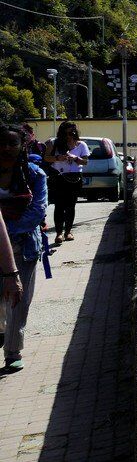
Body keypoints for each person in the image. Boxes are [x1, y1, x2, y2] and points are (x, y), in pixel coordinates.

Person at [0, 123, 48, 372]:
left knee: (19, 300)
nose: (7, 148)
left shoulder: (35, 175)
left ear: (22, 147)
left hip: (24, 247)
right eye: (3, 143)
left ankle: (12, 351)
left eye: (13, 143)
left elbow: (38, 210)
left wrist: (5, 234)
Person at [44, 121, 88, 244]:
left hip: (75, 177)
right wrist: (58, 158)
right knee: (59, 206)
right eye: (66, 133)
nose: (69, 135)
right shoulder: (54, 143)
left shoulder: (81, 145)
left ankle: (68, 231)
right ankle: (59, 233)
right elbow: (46, 158)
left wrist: (75, 159)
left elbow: (85, 162)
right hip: (59, 176)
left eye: (72, 132)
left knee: (71, 206)